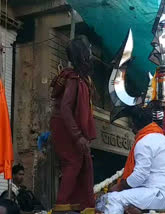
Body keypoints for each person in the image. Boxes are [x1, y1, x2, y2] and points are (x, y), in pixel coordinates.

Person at [97, 106, 165, 214]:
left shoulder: (144, 142)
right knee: (124, 200)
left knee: (112, 198)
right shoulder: (161, 138)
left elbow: (140, 175)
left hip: (158, 194)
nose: (131, 128)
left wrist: (119, 186)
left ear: (134, 124)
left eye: (131, 124)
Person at [50, 35, 96, 213]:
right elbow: (65, 108)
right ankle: (61, 205)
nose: (91, 53)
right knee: (73, 163)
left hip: (65, 124)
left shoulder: (80, 78)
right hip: (65, 125)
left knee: (82, 163)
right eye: (89, 50)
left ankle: (78, 204)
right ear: (82, 54)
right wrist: (78, 136)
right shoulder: (73, 79)